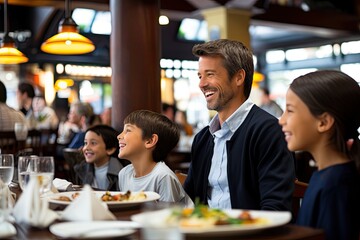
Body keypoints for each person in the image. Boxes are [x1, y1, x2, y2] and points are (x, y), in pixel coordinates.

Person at [183, 39, 295, 211]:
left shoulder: (268, 131)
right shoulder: (203, 138)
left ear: (238, 77)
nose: (202, 84)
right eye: (200, 76)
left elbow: (275, 207)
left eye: (210, 74)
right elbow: (191, 201)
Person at [279, 70, 360, 240]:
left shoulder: (336, 186)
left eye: (290, 111)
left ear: (323, 122)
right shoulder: (327, 176)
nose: (281, 120)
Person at [117, 110, 192, 206]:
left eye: (128, 130)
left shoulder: (162, 176)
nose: (119, 136)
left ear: (150, 141)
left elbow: (168, 217)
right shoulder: (124, 174)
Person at [74, 124, 129, 191]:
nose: (86, 148)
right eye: (85, 143)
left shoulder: (122, 172)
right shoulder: (81, 169)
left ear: (110, 149)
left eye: (93, 143)